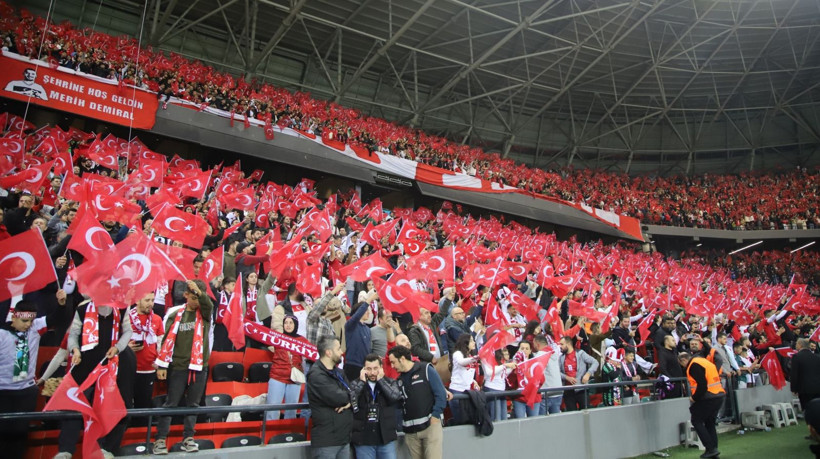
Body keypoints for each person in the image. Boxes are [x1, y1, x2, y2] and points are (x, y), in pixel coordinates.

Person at [57, 298, 133, 459]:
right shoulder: (82, 309)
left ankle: (103, 448)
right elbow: (73, 335)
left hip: (109, 367)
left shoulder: (121, 309)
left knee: (106, 407)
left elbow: (128, 331)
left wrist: (118, 347)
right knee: (73, 407)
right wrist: (74, 349)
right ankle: (66, 450)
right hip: (83, 366)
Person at [0, 297, 66, 459]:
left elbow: (56, 318)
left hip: (26, 391)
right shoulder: (1, 334)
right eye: (24, 321)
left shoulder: (35, 328)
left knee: (21, 433)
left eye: (30, 321)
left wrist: (61, 304)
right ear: (14, 317)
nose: (28, 325)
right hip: (3, 391)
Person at [153, 279, 213, 455]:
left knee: (193, 405)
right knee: (171, 403)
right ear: (186, 295)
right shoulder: (175, 314)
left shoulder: (205, 313)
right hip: (178, 366)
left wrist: (200, 293)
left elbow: (207, 303)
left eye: (198, 298)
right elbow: (166, 341)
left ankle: (188, 438)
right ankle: (160, 440)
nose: (196, 302)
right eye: (193, 298)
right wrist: (162, 366)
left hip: (199, 366)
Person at [388, 345, 447, 459]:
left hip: (430, 426)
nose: (392, 366)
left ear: (402, 359)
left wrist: (435, 415)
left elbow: (440, 393)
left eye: (393, 362)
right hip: (411, 432)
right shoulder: (399, 380)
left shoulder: (425, 369)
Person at [307, 336, 354, 459]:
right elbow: (338, 397)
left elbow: (352, 394)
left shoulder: (340, 372)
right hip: (326, 442)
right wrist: (349, 399)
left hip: (343, 439)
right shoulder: (316, 375)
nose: (341, 352)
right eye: (338, 349)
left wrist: (349, 400)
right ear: (328, 352)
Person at [349, 353, 402, 459]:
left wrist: (381, 381)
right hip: (364, 439)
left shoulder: (390, 382)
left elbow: (395, 397)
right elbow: (351, 398)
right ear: (363, 369)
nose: (372, 372)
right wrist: (362, 382)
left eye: (375, 368)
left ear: (381, 368)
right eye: (368, 369)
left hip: (385, 438)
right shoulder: (356, 383)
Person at [678, 352, 725, 459]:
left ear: (683, 360)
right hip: (719, 394)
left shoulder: (693, 365)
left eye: (681, 364)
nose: (683, 367)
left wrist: (694, 398)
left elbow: (702, 385)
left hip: (708, 397)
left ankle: (710, 448)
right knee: (710, 423)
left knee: (696, 420)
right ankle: (713, 449)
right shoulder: (703, 361)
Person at [266, 315, 309, 421]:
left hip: (294, 379)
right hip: (277, 377)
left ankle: (289, 435)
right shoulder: (277, 337)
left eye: (291, 323)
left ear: (296, 325)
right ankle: (270, 435)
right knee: (272, 410)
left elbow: (311, 354)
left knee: (291, 411)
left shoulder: (302, 340)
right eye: (286, 323)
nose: (288, 325)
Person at [127, 292, 164, 410]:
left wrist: (160, 363)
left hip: (149, 369)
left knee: (144, 406)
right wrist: (126, 347)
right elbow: (115, 341)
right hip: (129, 368)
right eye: (147, 300)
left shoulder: (157, 319)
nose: (151, 304)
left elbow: (161, 344)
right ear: (137, 301)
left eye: (152, 300)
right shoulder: (126, 318)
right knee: (127, 405)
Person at [343, 291, 377, 382]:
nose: (368, 313)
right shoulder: (351, 325)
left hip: (364, 366)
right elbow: (356, 316)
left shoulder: (367, 329)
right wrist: (369, 300)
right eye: (366, 311)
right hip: (352, 364)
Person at [559, 335, 598, 411]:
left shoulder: (580, 353)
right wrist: (566, 377)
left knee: (585, 413)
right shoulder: (561, 358)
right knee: (572, 415)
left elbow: (595, 362)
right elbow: (558, 372)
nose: (560, 346)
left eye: (562, 344)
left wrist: (588, 374)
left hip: (581, 389)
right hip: (568, 391)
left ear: (568, 344)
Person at [448, 334, 480, 424]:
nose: (474, 343)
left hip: (468, 390)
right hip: (457, 390)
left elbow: (467, 373)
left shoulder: (470, 355)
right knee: (460, 420)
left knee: (468, 419)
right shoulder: (457, 354)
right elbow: (462, 362)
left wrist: (474, 381)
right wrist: (475, 358)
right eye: (471, 341)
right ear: (465, 343)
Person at [482, 347, 515, 421]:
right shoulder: (485, 355)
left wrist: (511, 368)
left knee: (504, 418)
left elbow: (502, 374)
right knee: (496, 418)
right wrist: (505, 366)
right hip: (492, 388)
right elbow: (489, 372)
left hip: (501, 389)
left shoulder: (500, 356)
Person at [533, 334, 562, 415]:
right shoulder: (554, 353)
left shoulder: (540, 355)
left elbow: (537, 374)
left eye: (533, 343)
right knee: (556, 420)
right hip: (558, 391)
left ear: (537, 344)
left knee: (542, 422)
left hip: (546, 392)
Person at [791, 338, 820, 411]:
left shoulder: (797, 357)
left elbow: (794, 374)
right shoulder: (817, 357)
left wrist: (794, 388)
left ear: (800, 345)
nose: (795, 345)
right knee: (817, 409)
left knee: (807, 409)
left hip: (804, 389)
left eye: (797, 343)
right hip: (817, 387)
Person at [657, 334, 684, 398]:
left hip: (679, 381)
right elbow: (662, 368)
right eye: (672, 340)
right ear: (666, 342)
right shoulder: (662, 352)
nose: (675, 342)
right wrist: (671, 379)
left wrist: (681, 341)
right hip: (671, 383)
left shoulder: (674, 351)